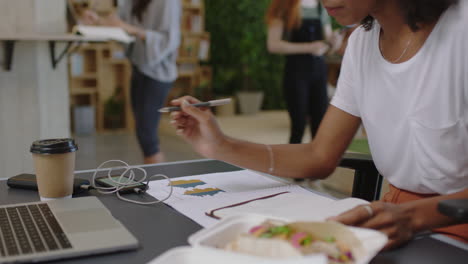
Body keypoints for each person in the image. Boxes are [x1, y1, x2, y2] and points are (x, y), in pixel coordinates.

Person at [169, 0, 468, 250]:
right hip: (399, 226)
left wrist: (414, 217)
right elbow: (318, 156)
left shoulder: (460, 31)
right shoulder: (361, 45)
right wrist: (220, 145)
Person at [83, 0, 181, 164]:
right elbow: (121, 27)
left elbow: (168, 40)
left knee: (148, 137)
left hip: (158, 73)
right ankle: (157, 182)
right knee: (143, 134)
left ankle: (160, 184)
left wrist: (129, 29)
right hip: (138, 68)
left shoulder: (167, 2)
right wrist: (98, 21)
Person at [266, 0, 334, 144]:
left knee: (320, 125)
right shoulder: (284, 5)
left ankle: (317, 166)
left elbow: (327, 45)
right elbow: (273, 45)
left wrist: (334, 42)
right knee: (298, 126)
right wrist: (308, 47)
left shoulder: (321, 7)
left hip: (319, 71)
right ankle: (292, 165)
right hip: (296, 71)